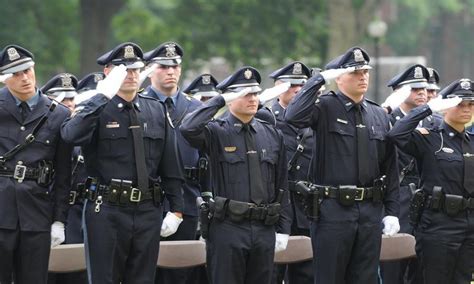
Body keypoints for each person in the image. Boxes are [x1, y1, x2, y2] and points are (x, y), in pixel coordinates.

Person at [60, 42, 184, 284]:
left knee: (143, 278)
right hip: (106, 210)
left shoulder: (155, 109)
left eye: (136, 70)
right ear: (108, 73)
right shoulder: (95, 108)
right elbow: (70, 136)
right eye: (124, 70)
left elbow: (170, 164)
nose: (132, 75)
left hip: (148, 210)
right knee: (104, 278)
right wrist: (102, 96)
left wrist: (176, 209)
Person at [284, 46, 400, 284]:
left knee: (365, 278)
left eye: (365, 72)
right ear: (338, 78)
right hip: (332, 211)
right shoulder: (325, 107)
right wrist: (318, 80)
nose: (363, 77)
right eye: (355, 73)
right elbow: (293, 116)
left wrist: (392, 212)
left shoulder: (378, 114)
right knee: (330, 278)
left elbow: (390, 167)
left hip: (369, 211)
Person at [180, 66, 291, 284]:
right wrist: (219, 101)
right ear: (231, 99)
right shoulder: (216, 131)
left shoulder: (271, 134)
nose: (253, 99)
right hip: (228, 228)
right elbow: (188, 128)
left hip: (264, 228)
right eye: (245, 94)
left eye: (255, 93)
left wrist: (284, 229)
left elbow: (281, 184)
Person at [387, 78, 474, 283]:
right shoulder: (429, 137)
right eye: (459, 104)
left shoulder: (472, 142)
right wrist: (428, 108)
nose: (466, 109)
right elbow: (395, 134)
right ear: (445, 107)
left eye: (471, 104)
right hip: (438, 224)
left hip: (468, 224)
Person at [0, 44, 72, 284]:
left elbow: (63, 174)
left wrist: (59, 220)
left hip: (37, 213)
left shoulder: (58, 113)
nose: (24, 78)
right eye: (16, 74)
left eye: (27, 70)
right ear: (4, 79)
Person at [141, 41, 209, 284]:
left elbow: (207, 159)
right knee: (144, 271)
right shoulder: (137, 105)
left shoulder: (196, 108)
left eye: (176, 66)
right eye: (164, 66)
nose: (171, 71)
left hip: (187, 199)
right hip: (148, 200)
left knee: (179, 274)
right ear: (149, 70)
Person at [380, 64, 442, 284]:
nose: (423, 93)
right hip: (399, 195)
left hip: (426, 199)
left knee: (421, 268)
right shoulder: (385, 119)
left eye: (425, 89)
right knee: (393, 267)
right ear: (399, 92)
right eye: (415, 89)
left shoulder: (436, 122)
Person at [263, 61, 314, 284]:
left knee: (306, 273)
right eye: (292, 84)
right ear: (279, 87)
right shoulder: (266, 118)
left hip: (306, 207)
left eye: (303, 85)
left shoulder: (314, 120)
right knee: (272, 273)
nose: (298, 90)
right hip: (275, 207)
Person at [42, 73, 88, 284]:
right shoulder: (41, 135)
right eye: (62, 99)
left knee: (78, 274)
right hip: (42, 212)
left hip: (77, 214)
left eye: (72, 98)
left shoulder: (83, 135)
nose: (69, 104)